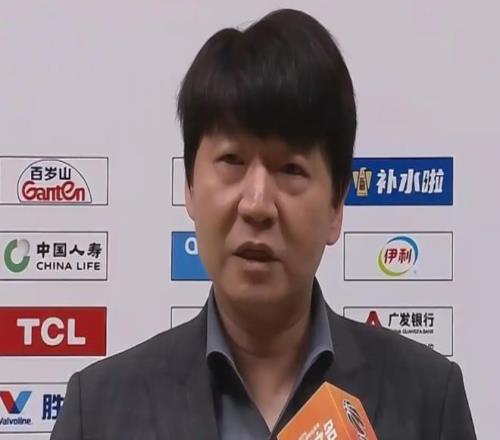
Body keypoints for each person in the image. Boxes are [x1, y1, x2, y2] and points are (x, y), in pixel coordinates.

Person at [50, 8, 476, 440]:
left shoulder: (428, 400)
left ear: (336, 206)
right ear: (190, 187)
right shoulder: (98, 410)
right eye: (231, 161)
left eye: (290, 169)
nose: (257, 204)